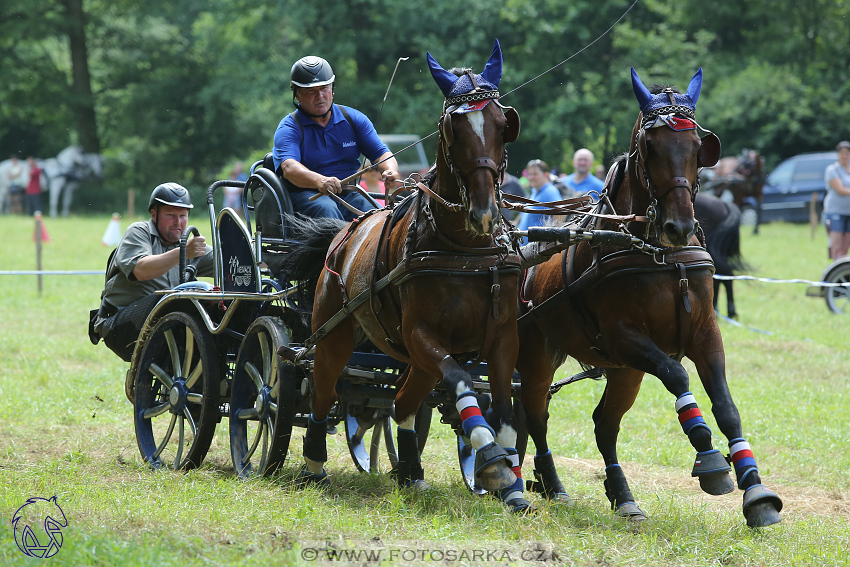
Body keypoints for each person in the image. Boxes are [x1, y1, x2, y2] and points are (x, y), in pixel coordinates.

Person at [90, 183, 215, 362]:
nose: (178, 223)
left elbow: (230, 261)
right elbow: (141, 270)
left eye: (182, 216)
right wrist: (183, 251)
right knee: (170, 301)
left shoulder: (186, 244)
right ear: (154, 214)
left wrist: (264, 258)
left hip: (163, 318)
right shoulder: (139, 232)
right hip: (118, 323)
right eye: (170, 215)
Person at [272, 56, 400, 220]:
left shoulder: (354, 119)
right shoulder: (289, 128)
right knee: (328, 210)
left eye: (324, 88)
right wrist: (320, 181)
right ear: (297, 95)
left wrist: (391, 170)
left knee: (379, 218)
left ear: (332, 90)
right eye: (311, 91)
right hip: (307, 195)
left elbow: (382, 153)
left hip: (348, 193)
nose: (320, 96)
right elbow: (290, 169)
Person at [516, 159, 562, 243]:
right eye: (529, 174)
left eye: (535, 174)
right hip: (526, 249)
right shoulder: (535, 191)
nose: (531, 177)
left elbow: (560, 213)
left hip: (538, 250)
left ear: (545, 174)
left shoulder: (550, 191)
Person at [824, 141, 850, 259]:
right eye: (841, 153)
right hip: (836, 212)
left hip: (848, 213)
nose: (844, 156)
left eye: (847, 153)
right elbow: (840, 189)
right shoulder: (832, 169)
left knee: (845, 248)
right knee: (836, 247)